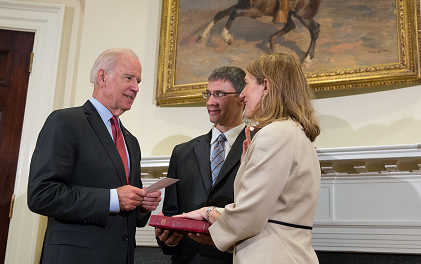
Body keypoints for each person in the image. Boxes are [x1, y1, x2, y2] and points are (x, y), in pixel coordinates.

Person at [176, 53, 321, 264]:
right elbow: (268, 210)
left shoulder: (275, 133)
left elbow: (249, 216)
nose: (242, 94)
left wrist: (207, 213)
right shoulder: (293, 131)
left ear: (266, 86)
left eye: (246, 84)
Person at [27, 48, 161, 264]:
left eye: (138, 80)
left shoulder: (131, 141)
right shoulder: (65, 122)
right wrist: (112, 199)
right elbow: (42, 195)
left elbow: (127, 212)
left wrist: (142, 206)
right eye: (129, 77)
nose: (136, 87)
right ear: (102, 77)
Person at [156, 66, 247, 264]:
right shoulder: (182, 152)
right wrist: (167, 240)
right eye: (209, 94)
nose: (210, 102)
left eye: (219, 94)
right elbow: (172, 213)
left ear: (242, 98)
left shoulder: (259, 145)